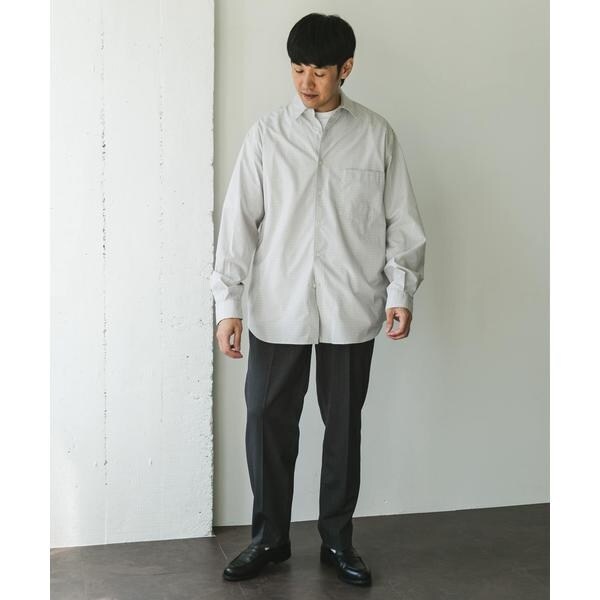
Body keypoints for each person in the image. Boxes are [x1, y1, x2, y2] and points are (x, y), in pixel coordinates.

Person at [210, 12, 426, 587]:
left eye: (320, 71)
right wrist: (228, 306)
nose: (307, 82)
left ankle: (337, 540)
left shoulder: (377, 135)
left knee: (344, 427)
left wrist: (401, 290)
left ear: (346, 69)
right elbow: (238, 225)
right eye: (298, 69)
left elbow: (402, 223)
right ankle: (269, 538)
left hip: (351, 307)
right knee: (266, 421)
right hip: (276, 307)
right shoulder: (266, 136)